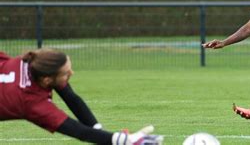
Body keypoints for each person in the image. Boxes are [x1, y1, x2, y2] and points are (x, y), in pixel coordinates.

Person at [0, 48, 163, 145]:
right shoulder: (30, 101)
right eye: (66, 73)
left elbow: (71, 98)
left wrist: (101, 133)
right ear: (47, 80)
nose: (72, 73)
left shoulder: (29, 63)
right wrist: (122, 140)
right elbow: (77, 131)